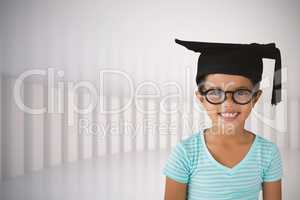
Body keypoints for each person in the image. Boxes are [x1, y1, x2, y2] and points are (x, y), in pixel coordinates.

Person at [163, 39, 283, 200]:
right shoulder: (186, 154)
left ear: (255, 98)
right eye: (215, 93)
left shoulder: (268, 154)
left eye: (241, 93)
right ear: (201, 99)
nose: (228, 104)